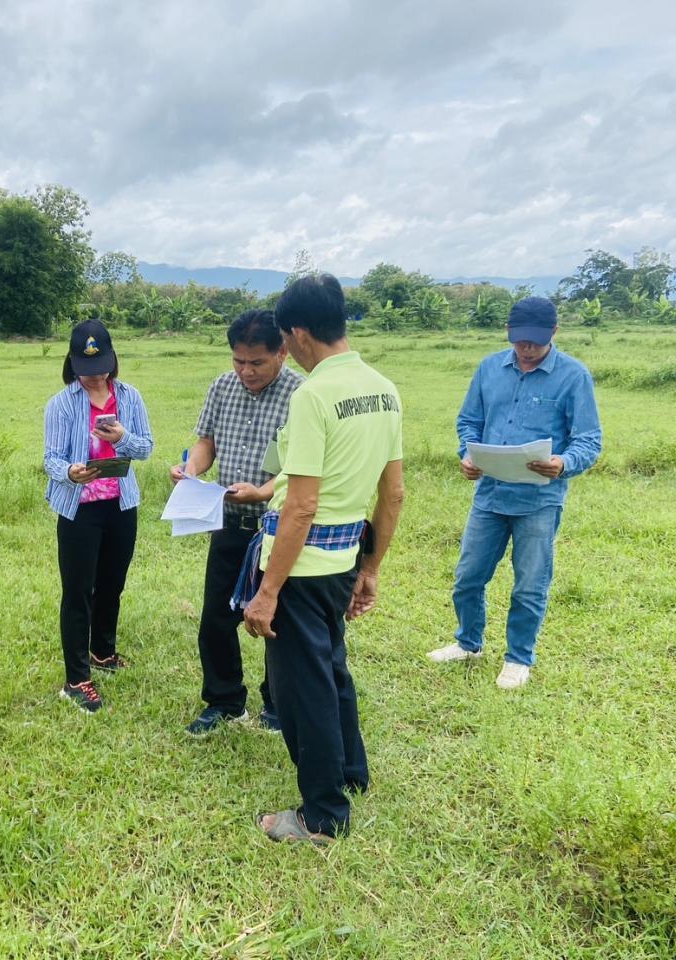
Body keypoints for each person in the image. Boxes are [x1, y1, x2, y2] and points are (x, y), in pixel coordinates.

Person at [239, 274, 404, 845]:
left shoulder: (313, 396)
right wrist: (372, 568)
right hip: (342, 563)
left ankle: (323, 815)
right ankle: (350, 773)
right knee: (331, 670)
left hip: (301, 568)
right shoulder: (384, 389)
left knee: (302, 688)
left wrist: (267, 591)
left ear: (300, 334)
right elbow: (394, 493)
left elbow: (302, 504)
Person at [427, 296, 602, 689]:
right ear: (508, 332)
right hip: (489, 495)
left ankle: (518, 658)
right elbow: (469, 421)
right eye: (520, 340)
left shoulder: (574, 376)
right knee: (468, 576)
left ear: (554, 333)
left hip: (539, 500)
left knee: (529, 583)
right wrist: (468, 455)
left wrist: (562, 462)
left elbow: (589, 439)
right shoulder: (490, 368)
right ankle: (468, 642)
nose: (526, 349)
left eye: (535, 342)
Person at [171, 309, 303, 735]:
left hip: (278, 526)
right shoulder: (222, 387)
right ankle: (224, 701)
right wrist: (191, 469)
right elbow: (206, 442)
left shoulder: (302, 395)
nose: (245, 371)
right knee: (215, 618)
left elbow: (307, 467)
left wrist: (263, 491)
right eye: (238, 361)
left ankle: (279, 705)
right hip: (228, 521)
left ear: (282, 352)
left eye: (257, 362)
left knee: (277, 621)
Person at [43, 319, 154, 712]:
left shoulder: (130, 397)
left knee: (112, 584)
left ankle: (103, 652)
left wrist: (121, 437)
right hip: (79, 509)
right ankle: (77, 679)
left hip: (120, 505)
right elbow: (51, 459)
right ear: (73, 364)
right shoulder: (61, 404)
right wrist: (71, 472)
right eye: (86, 370)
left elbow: (145, 448)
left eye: (102, 368)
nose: (95, 377)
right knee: (78, 592)